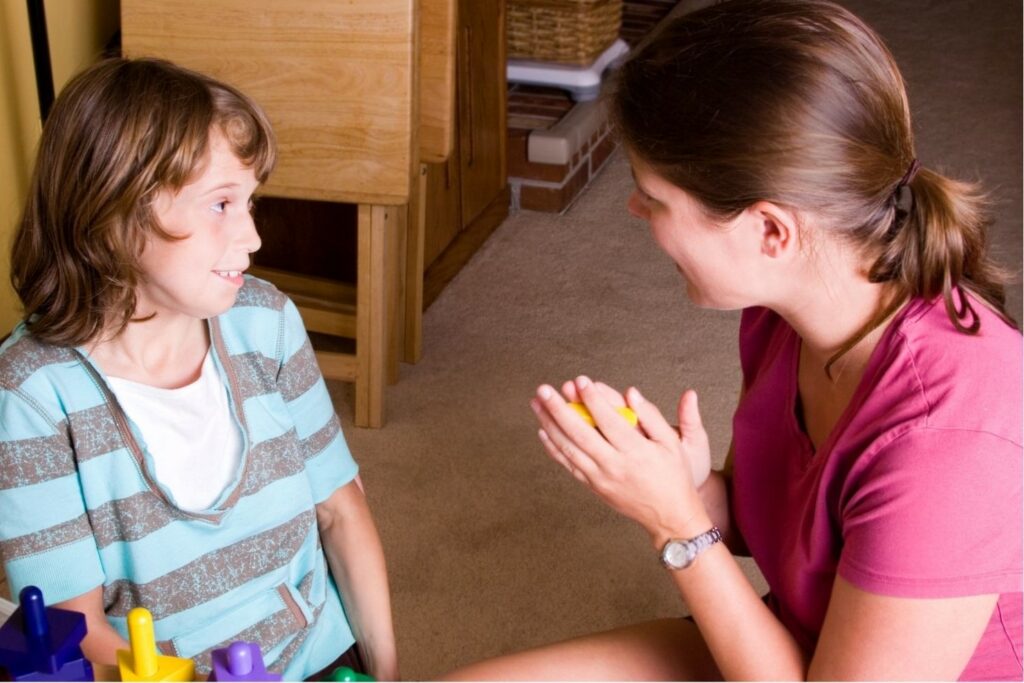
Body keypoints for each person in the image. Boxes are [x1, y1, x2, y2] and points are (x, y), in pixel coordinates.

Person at [444, 0, 1022, 680]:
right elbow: (771, 528)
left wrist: (675, 524)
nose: (634, 210)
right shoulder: (784, 311)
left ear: (771, 231)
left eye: (655, 198)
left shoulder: (950, 439)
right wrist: (686, 483)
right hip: (790, 644)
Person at [0, 57, 398, 681]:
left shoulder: (266, 320)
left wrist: (389, 674)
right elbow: (72, 631)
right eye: (220, 204)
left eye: (250, 202)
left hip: (320, 659)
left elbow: (341, 512)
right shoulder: (31, 394)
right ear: (114, 215)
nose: (253, 236)